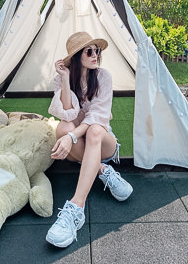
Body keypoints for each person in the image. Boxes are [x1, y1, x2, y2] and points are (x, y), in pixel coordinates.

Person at [45, 31, 133, 248]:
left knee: (93, 129)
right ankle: (101, 170)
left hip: (103, 143)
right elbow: (66, 114)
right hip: (84, 146)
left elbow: (98, 118)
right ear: (76, 57)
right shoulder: (60, 80)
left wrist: (72, 137)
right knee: (64, 127)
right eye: (89, 51)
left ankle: (76, 208)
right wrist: (65, 80)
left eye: (97, 51)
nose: (96, 55)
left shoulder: (104, 76)